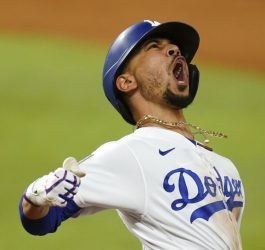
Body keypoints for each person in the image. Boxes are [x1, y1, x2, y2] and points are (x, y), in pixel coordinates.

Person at [19, 20, 245, 250]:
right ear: (126, 82)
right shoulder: (131, 154)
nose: (174, 50)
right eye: (154, 46)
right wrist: (35, 195)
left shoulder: (226, 167)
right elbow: (41, 219)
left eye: (174, 47)